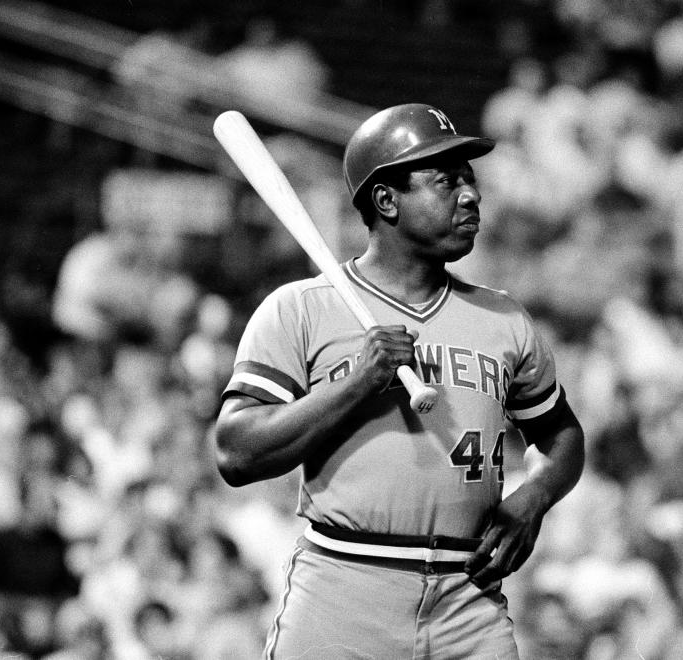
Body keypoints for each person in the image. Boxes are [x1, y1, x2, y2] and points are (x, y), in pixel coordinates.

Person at [214, 103, 585, 659]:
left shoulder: (505, 319)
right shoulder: (300, 308)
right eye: (445, 181)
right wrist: (357, 382)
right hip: (344, 589)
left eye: (469, 179)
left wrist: (533, 497)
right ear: (386, 200)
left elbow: (563, 437)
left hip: (470, 596)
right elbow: (236, 453)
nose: (471, 196)